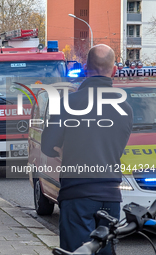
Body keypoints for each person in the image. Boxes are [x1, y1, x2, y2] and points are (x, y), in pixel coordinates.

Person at [41, 44, 133, 254]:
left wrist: (63, 151)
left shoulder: (68, 103)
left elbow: (47, 145)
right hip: (110, 195)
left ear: (84, 68)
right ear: (114, 70)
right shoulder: (125, 108)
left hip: (77, 194)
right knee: (105, 249)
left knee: (77, 251)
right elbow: (115, 148)